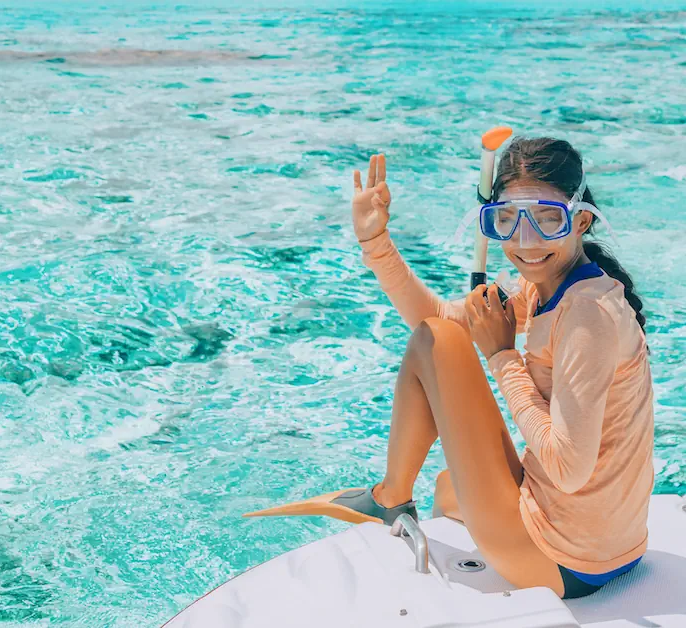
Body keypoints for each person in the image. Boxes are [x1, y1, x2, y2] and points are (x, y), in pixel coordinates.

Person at [248, 138, 654, 599]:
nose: (526, 241)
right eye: (506, 220)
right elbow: (438, 315)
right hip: (613, 547)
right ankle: (394, 496)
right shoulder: (550, 286)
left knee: (439, 342)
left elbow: (566, 471)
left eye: (547, 219)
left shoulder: (587, 314)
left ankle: (388, 498)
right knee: (447, 490)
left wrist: (502, 357)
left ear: (581, 220)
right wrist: (376, 244)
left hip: (564, 563)